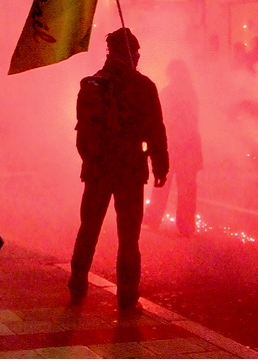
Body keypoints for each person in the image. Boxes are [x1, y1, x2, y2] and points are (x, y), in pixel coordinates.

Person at [68, 28, 169, 313]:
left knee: (88, 229)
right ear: (133, 54)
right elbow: (156, 131)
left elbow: (82, 134)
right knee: (128, 237)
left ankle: (77, 285)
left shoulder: (91, 85)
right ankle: (126, 298)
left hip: (97, 171)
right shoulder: (144, 86)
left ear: (110, 53)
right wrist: (160, 166)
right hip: (130, 171)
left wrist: (92, 160)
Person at [144, 59, 203, 237]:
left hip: (175, 146)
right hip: (188, 146)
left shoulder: (170, 93)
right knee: (186, 189)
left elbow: (159, 118)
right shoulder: (190, 93)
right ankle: (186, 226)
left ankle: (154, 219)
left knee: (163, 185)